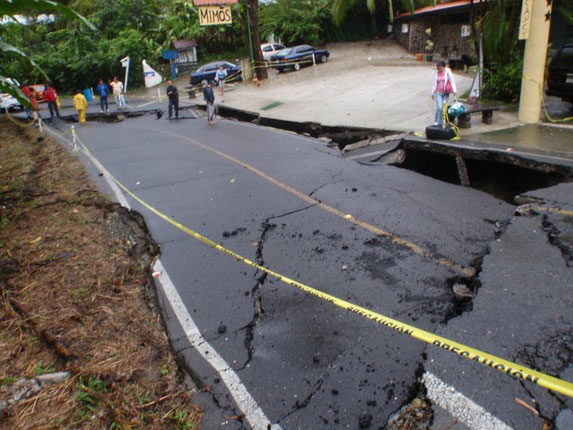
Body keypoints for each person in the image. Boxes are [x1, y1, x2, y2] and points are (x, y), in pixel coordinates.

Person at [430, 60, 457, 126]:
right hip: (438, 92)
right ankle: (436, 121)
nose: (438, 68)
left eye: (440, 67)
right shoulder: (436, 73)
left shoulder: (448, 72)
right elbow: (434, 84)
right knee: (439, 107)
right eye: (437, 67)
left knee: (443, 107)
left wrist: (454, 90)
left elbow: (452, 81)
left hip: (446, 92)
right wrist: (432, 93)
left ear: (443, 67)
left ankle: (441, 122)